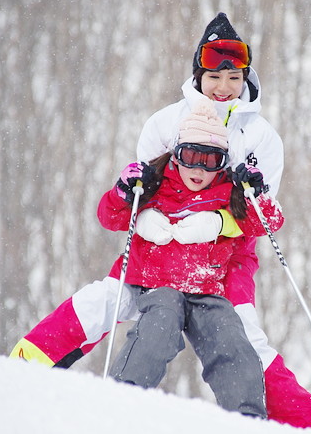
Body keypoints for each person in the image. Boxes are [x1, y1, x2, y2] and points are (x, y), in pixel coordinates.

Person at [10, 13, 311, 432]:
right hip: (157, 251)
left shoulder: (261, 138)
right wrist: (143, 215)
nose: (223, 87)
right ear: (197, 76)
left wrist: (217, 224)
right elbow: (142, 190)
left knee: (242, 339)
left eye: (233, 77)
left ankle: (303, 425)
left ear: (246, 79)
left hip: (224, 261)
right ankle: (22, 367)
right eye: (213, 76)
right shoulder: (165, 123)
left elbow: (261, 218)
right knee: (103, 303)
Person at [102, 103, 282, 418]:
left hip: (207, 287)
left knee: (229, 337)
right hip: (159, 285)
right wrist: (124, 192)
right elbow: (110, 218)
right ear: (176, 155)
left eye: (211, 160)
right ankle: (123, 396)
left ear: (222, 163)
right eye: (190, 158)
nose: (198, 170)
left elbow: (267, 223)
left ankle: (248, 416)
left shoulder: (228, 192)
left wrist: (258, 192)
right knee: (159, 328)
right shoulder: (157, 183)